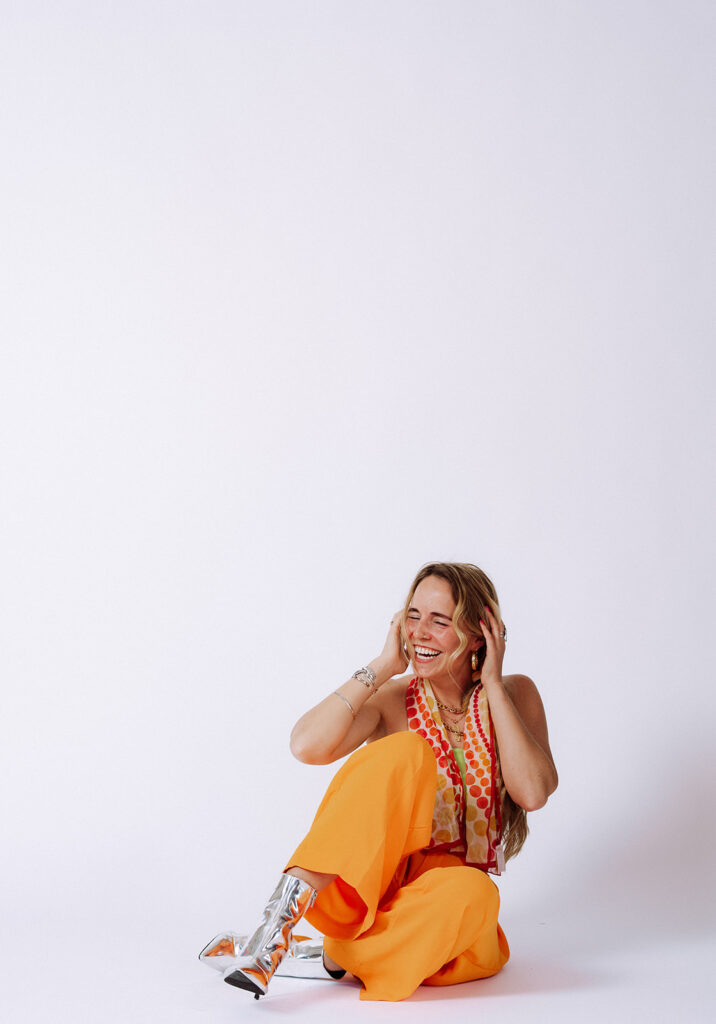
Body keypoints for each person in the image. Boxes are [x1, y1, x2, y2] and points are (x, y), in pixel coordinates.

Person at [198, 562, 558, 1002]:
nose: (419, 632)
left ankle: (334, 958)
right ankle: (272, 936)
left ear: (479, 634)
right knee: (406, 753)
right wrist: (382, 666)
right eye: (412, 615)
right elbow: (306, 745)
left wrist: (493, 687)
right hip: (371, 889)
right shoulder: (392, 699)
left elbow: (534, 793)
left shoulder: (516, 694)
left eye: (439, 621)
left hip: (438, 904)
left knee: (477, 893)